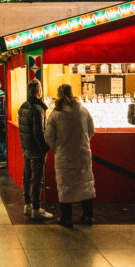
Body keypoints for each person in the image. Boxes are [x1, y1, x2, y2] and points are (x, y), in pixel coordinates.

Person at [44, 84, 95, 227]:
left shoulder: (56, 113)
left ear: (58, 94)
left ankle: (66, 218)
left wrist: (57, 148)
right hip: (83, 153)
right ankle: (88, 216)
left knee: (65, 186)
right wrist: (83, 143)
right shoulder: (83, 110)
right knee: (85, 184)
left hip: (64, 155)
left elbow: (49, 136)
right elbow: (91, 130)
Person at [18, 80, 52, 220]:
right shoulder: (38, 109)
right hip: (36, 149)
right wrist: (45, 147)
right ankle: (36, 208)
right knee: (37, 178)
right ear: (39, 91)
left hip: (26, 146)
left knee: (27, 176)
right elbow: (39, 132)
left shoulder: (23, 106)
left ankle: (27, 204)